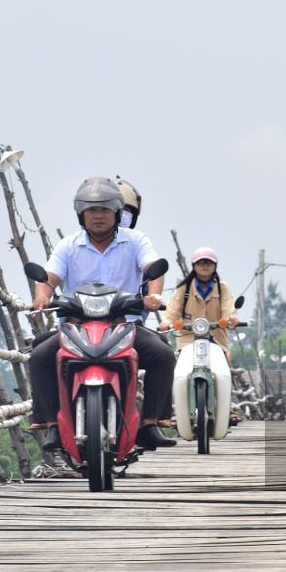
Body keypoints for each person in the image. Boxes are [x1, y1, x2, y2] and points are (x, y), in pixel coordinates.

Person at [29, 176, 176, 450]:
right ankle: (51, 425)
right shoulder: (68, 246)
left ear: (117, 213)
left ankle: (150, 423)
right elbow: (49, 276)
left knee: (163, 354)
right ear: (81, 215)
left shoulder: (136, 241)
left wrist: (154, 295)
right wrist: (42, 295)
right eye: (92, 210)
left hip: (124, 325)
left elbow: (153, 268)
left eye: (105, 209)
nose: (98, 215)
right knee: (39, 355)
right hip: (75, 326)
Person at [162, 247, 239, 352]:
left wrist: (231, 319)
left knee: (221, 363)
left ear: (215, 266)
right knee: (179, 362)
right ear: (194, 265)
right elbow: (172, 310)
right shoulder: (184, 288)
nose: (205, 265)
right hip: (187, 342)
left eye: (209, 262)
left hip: (217, 342)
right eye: (201, 262)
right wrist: (167, 322)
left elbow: (229, 309)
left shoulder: (222, 288)